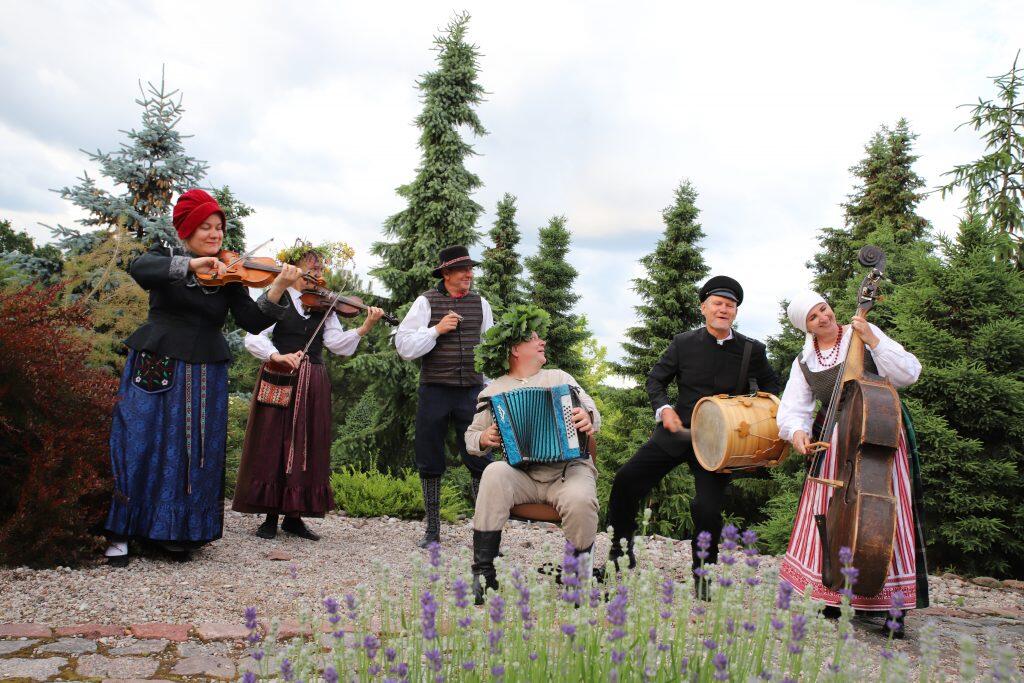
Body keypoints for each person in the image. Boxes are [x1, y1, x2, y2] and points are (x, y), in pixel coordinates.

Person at [103, 189, 301, 566]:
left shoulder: (230, 274)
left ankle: (177, 532)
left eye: (219, 228)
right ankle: (121, 532)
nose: (214, 234)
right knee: (140, 438)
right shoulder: (168, 257)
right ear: (187, 230)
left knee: (195, 448)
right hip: (157, 360)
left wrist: (277, 287)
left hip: (205, 369)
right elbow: (140, 269)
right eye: (206, 227)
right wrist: (191, 267)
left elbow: (251, 321)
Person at [607, 276, 779, 594]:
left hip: (720, 444)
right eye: (717, 303)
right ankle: (620, 549)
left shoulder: (751, 350)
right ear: (704, 308)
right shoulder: (683, 343)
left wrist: (748, 415)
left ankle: (704, 575)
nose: (723, 309)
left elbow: (772, 391)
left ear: (736, 312)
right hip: (677, 431)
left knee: (707, 509)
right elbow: (656, 380)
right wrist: (664, 410)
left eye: (730, 305)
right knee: (627, 480)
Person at [776, 291, 929, 637]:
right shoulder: (804, 361)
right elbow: (793, 407)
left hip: (878, 432)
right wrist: (797, 432)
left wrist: (872, 338)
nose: (824, 317)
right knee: (832, 512)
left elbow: (909, 373)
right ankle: (832, 593)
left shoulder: (863, 331)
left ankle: (894, 605)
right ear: (807, 327)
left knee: (889, 514)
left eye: (824, 309)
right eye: (814, 317)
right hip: (834, 438)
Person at [232, 242, 384, 540]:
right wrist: (276, 356)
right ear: (293, 266)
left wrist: (364, 328)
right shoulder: (277, 296)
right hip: (279, 375)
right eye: (311, 265)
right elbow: (253, 338)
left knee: (307, 445)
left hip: (313, 379)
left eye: (320, 267)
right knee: (273, 441)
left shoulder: (324, 304)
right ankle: (269, 515)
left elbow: (337, 344)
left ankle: (294, 516)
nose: (317, 272)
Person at [465, 305, 599, 604]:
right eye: (535, 338)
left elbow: (592, 412)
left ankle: (578, 577)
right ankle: (483, 573)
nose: (542, 342)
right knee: (494, 471)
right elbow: (470, 436)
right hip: (522, 475)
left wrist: (588, 418)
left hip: (569, 470)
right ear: (515, 349)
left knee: (580, 498)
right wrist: (484, 438)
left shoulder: (560, 378)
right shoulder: (495, 390)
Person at [395, 245, 494, 548]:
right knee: (430, 457)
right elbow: (404, 346)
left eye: (470, 269)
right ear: (446, 273)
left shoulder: (481, 304)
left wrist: (490, 392)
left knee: (480, 456)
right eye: (463, 269)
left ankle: (484, 531)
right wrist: (437, 330)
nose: (469, 274)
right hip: (435, 389)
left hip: (473, 393)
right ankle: (432, 531)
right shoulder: (426, 302)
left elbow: (490, 350)